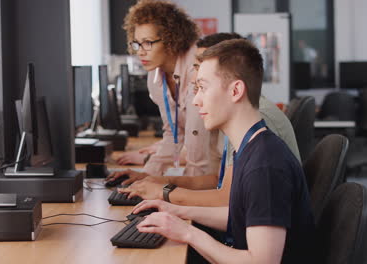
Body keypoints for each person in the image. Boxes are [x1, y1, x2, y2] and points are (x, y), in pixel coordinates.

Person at [134, 38, 315, 264]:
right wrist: (177, 211)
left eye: (202, 88)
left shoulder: (265, 165)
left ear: (236, 90)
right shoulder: (251, 146)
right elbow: (241, 216)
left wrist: (188, 233)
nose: (196, 101)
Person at [112, 33, 300, 207]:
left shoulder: (257, 124)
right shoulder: (236, 119)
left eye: (200, 69)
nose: (193, 78)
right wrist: (161, 182)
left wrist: (165, 194)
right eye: (195, 67)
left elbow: (227, 200)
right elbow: (219, 181)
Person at [110, 0, 220, 178]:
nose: (140, 52)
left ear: (171, 40)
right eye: (136, 43)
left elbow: (197, 154)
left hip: (218, 176)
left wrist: (175, 191)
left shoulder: (197, 68)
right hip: (199, 177)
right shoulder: (155, 78)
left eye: (148, 43)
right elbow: (173, 134)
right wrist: (145, 176)